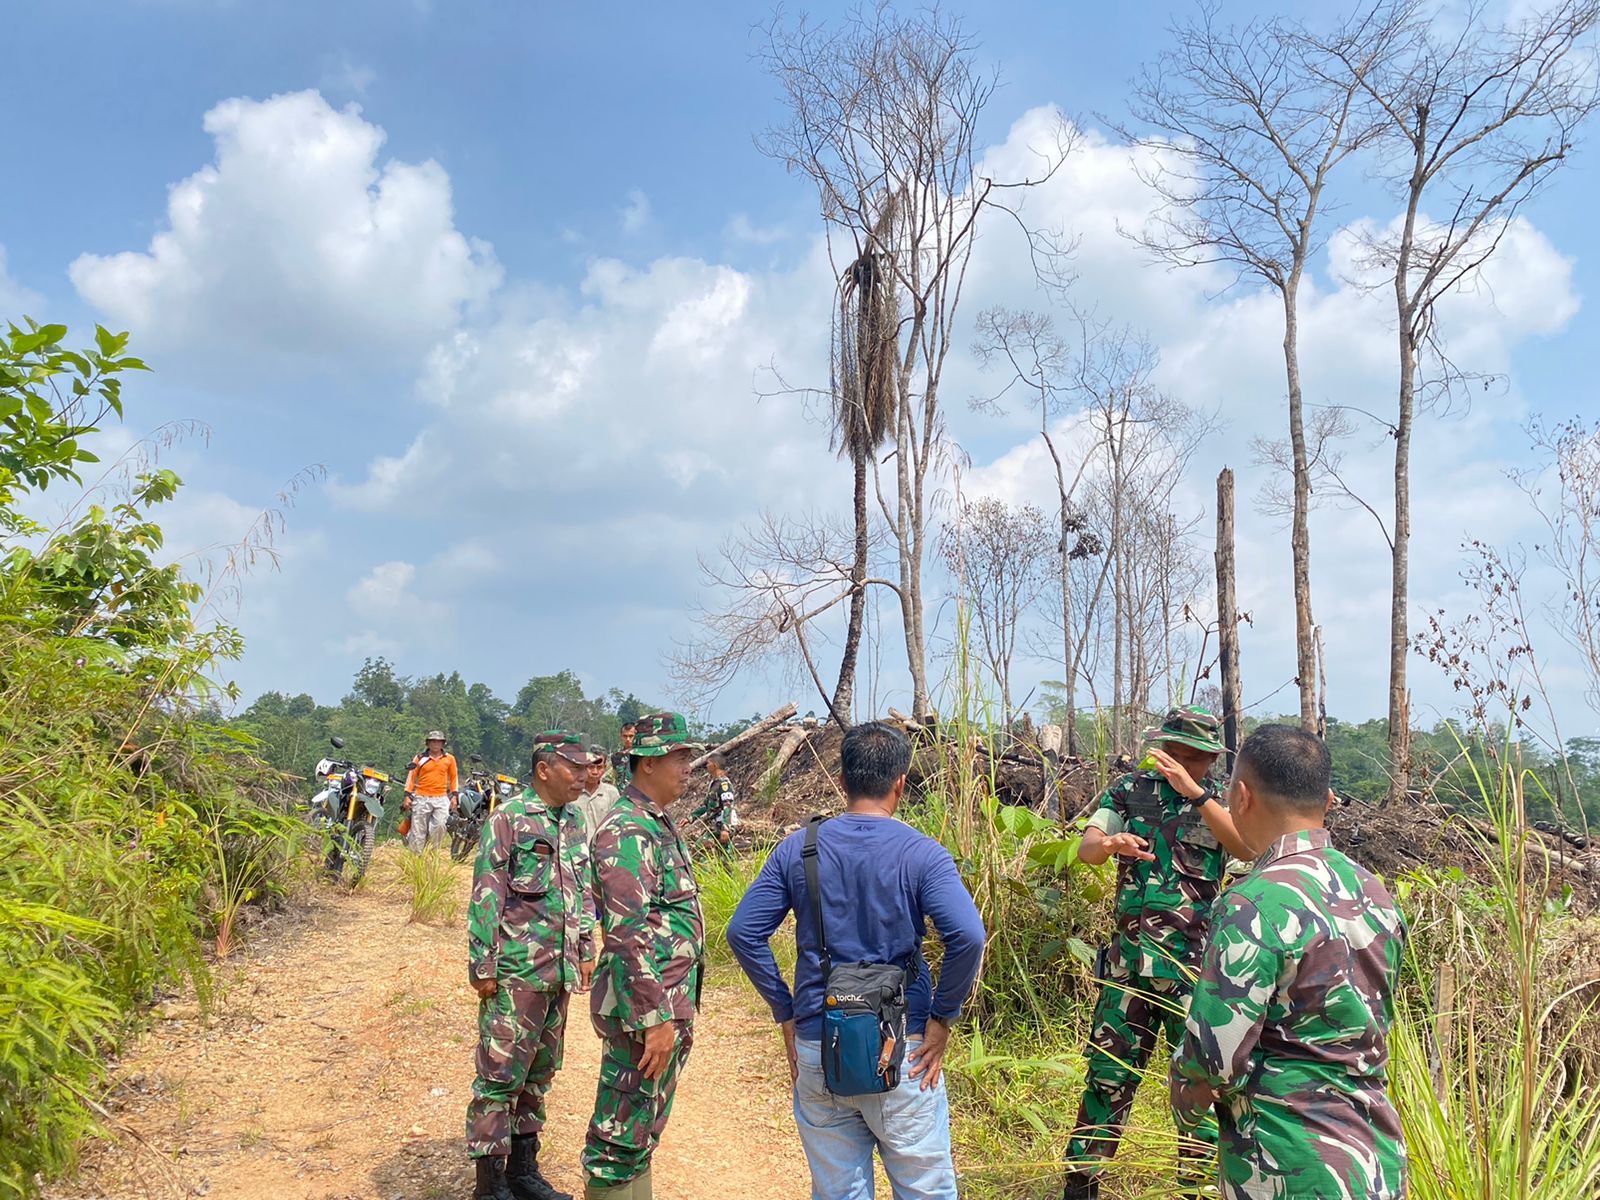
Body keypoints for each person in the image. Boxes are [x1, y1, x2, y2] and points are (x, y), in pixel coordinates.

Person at [726, 722, 987, 1200]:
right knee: (924, 1188)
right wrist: (942, 1019)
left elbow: (743, 933)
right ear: (901, 783)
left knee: (838, 1190)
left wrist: (785, 1012)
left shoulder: (797, 849)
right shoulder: (922, 854)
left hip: (817, 1041)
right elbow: (968, 936)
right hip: (901, 1048)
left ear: (842, 781)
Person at [1170, 725, 1407, 1200]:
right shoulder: (1376, 894)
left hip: (1285, 1162)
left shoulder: (1253, 904)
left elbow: (1215, 1057)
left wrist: (1184, 1098)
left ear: (1240, 796)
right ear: (1328, 799)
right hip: (1376, 1158)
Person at [1062, 706, 1255, 1200]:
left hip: (1193, 974)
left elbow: (1247, 848)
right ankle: (1082, 1184)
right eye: (1179, 755)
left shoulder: (1218, 802)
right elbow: (1086, 849)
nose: (1186, 764)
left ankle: (1197, 1191)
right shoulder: (1128, 792)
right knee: (1107, 1076)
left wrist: (1199, 795)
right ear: (1163, 749)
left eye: (1198, 759)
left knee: (1199, 1090)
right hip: (1129, 968)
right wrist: (1110, 844)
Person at [466, 730, 597, 1200]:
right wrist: (482, 965)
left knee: (539, 1074)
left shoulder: (575, 821)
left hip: (557, 972)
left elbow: (579, 892)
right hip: (515, 973)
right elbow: (487, 893)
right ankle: (490, 1184)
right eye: (574, 768)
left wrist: (584, 948)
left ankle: (523, 1172)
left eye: (587, 768)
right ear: (545, 769)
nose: (584, 777)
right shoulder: (510, 819)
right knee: (500, 1076)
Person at [583, 712, 707, 1199]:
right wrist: (655, 1018)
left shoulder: (655, 822)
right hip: (644, 1010)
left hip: (664, 1003)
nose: (689, 766)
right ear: (648, 763)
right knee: (618, 1138)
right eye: (680, 756)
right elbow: (626, 933)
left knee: (641, 1130)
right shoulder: (628, 829)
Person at [404, 731, 459, 850]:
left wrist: (455, 795)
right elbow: (411, 777)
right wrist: (407, 795)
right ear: (428, 743)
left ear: (442, 743)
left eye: (438, 741)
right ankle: (415, 859)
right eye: (433, 741)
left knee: (440, 825)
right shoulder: (420, 758)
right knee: (418, 830)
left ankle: (433, 854)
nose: (435, 744)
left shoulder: (449, 759)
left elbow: (454, 777)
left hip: (441, 797)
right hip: (421, 797)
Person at [688, 755, 737, 856]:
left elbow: (728, 805)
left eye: (708, 763)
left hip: (721, 826)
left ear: (715, 765)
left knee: (699, 850)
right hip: (714, 827)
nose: (706, 766)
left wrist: (726, 829)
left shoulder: (724, 784)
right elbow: (707, 806)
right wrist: (691, 817)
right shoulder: (714, 784)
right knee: (724, 859)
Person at [572, 745, 621, 845]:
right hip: (577, 851)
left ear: (605, 768)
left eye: (599, 767)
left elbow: (617, 825)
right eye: (591, 767)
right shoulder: (571, 792)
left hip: (602, 849)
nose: (595, 772)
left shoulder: (611, 793)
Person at [609, 722, 637, 792]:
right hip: (620, 796)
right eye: (625, 736)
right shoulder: (616, 756)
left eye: (631, 736)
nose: (628, 739)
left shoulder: (641, 756)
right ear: (621, 736)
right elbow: (613, 776)